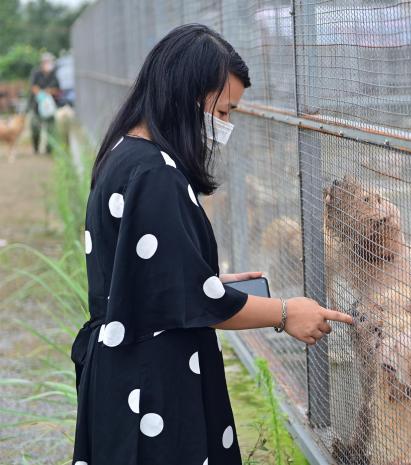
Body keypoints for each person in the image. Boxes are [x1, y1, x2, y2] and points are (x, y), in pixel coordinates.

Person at [70, 24, 353, 465]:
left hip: (123, 376)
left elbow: (152, 281)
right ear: (185, 94)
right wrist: (284, 312)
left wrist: (208, 280)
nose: (225, 125)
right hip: (153, 388)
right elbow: (188, 299)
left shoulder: (124, 154)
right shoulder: (156, 173)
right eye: (222, 111)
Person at [28, 52, 61, 154]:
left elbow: (57, 90)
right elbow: (33, 87)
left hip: (50, 107)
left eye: (49, 62)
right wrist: (42, 94)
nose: (48, 64)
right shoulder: (36, 73)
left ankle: (49, 150)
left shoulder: (54, 74)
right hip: (37, 106)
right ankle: (36, 148)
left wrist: (49, 91)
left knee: (51, 129)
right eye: (46, 62)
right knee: (35, 127)